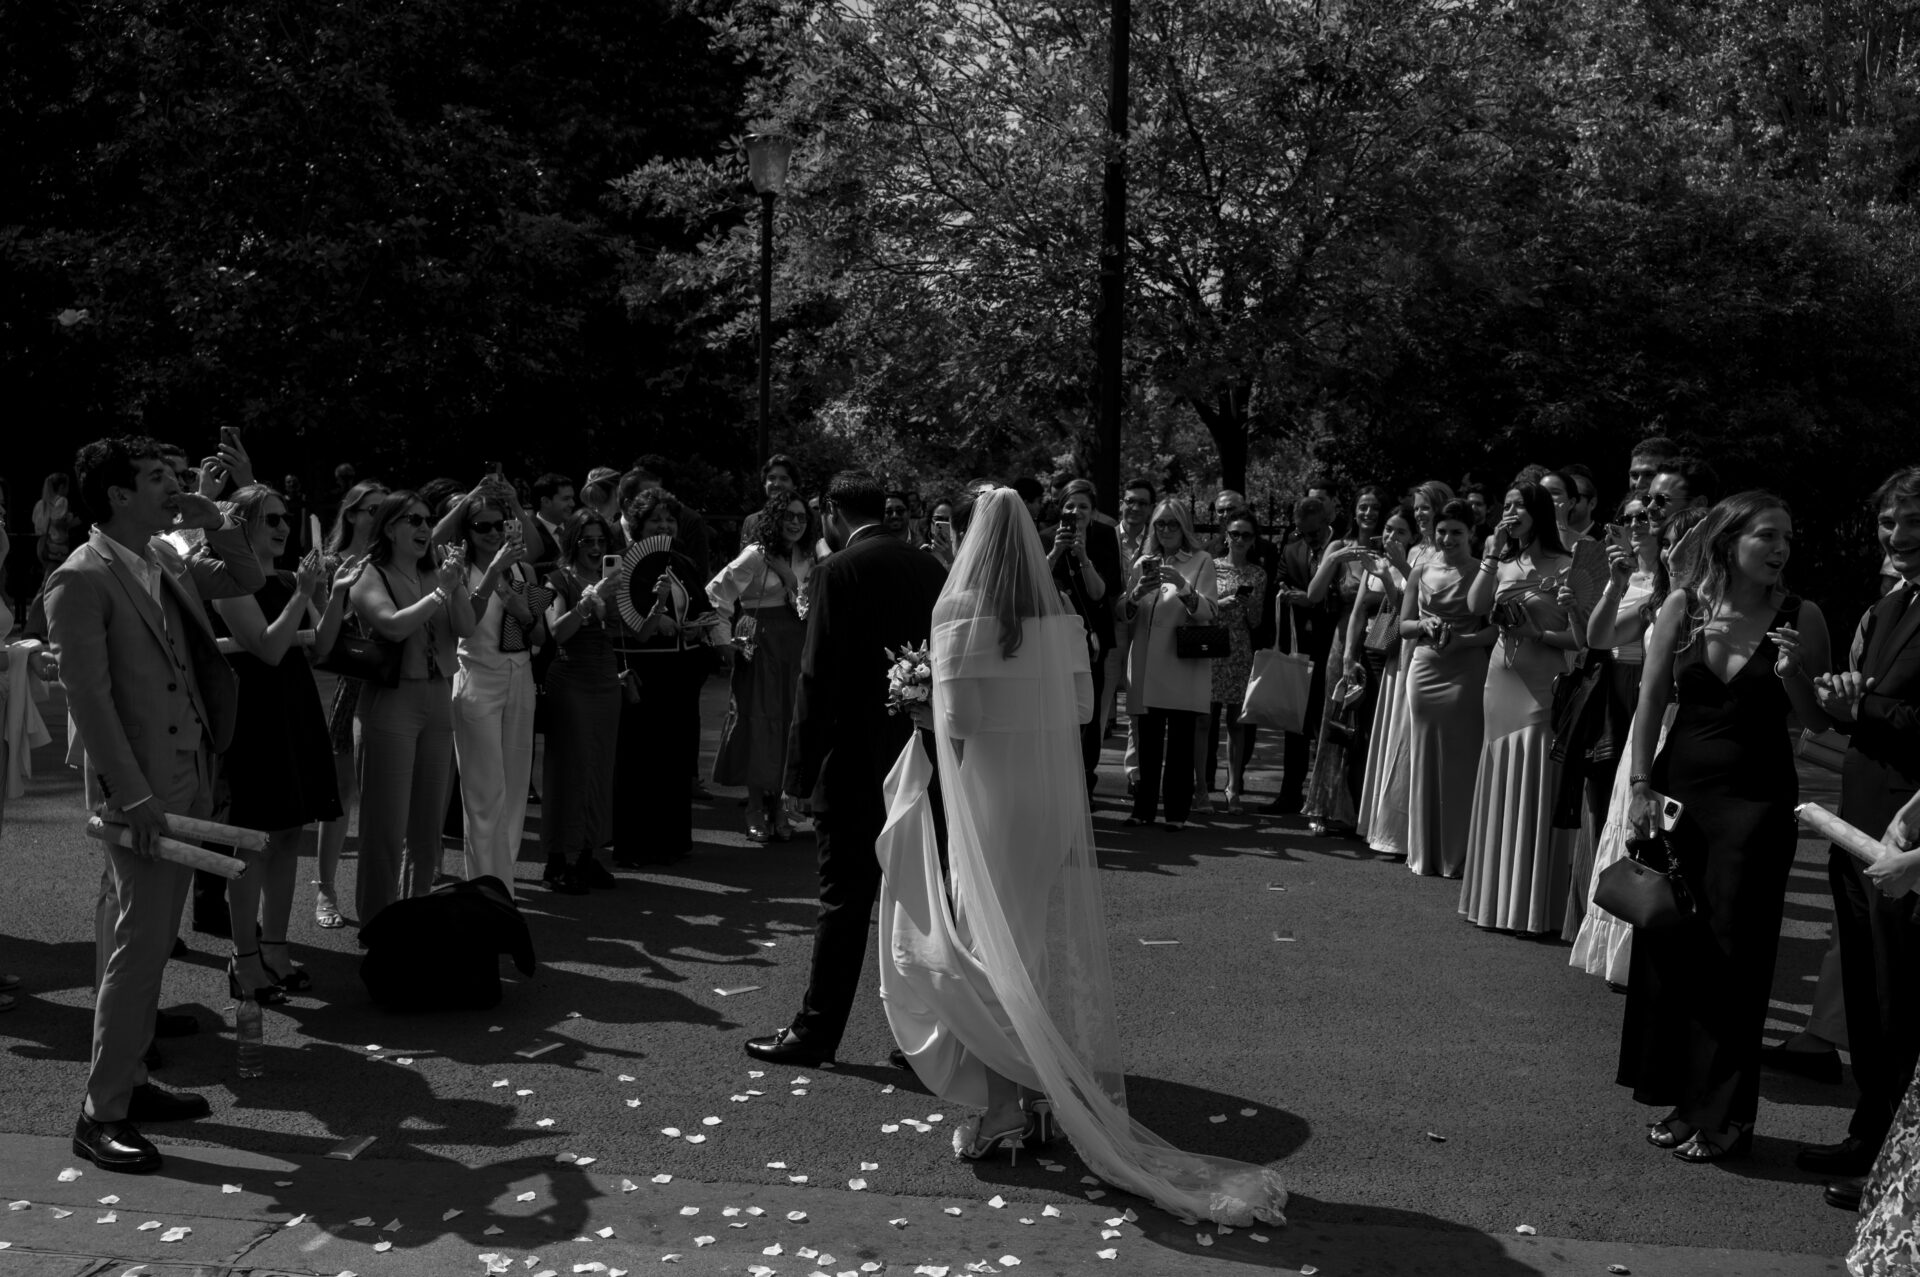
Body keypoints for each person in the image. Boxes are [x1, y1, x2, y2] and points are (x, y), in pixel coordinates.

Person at [873, 486, 1287, 1225]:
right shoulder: (1060, 615)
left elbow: (958, 722)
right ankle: (1035, 1097)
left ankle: (1005, 1108)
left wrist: (919, 702)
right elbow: (1084, 711)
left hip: (991, 798)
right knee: (1023, 937)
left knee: (986, 943)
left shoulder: (953, 611)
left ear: (972, 541)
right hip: (1044, 800)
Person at [47, 434, 267, 1173]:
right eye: (155, 478)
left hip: (188, 770)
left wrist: (218, 519)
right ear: (117, 494)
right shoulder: (79, 577)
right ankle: (101, 1111)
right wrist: (131, 793)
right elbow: (89, 699)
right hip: (141, 788)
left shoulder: (165, 554)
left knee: (147, 936)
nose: (173, 486)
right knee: (140, 948)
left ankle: (133, 1078)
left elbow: (248, 576)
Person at [1618, 491, 1833, 1163]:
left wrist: (1795, 674)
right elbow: (1652, 696)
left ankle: (1728, 1115)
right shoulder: (1684, 607)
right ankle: (1684, 1099)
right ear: (1728, 541)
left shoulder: (1803, 616)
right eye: (1767, 535)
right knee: (1676, 947)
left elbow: (1817, 721)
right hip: (1681, 795)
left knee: (1738, 955)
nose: (1780, 549)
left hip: (1757, 802)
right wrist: (1640, 786)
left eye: (1787, 537)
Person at [743, 470, 947, 1067]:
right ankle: (930, 1035)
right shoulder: (930, 567)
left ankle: (817, 1031)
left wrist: (798, 776)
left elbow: (818, 677)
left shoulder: (837, 570)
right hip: (920, 755)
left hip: (855, 761)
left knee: (844, 903)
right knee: (922, 902)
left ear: (832, 511)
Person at [1799, 467, 1920, 1201]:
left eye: (1912, 522)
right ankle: (1868, 1135)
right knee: (1870, 998)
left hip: (1907, 838)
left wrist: (1863, 705)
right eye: (1887, 522)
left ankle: (1895, 1169)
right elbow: (1862, 712)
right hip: (1855, 821)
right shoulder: (1891, 603)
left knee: (1903, 1005)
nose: (1897, 536)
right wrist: (1835, 695)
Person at [208, 486, 354, 1000]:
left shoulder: (293, 579)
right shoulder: (227, 582)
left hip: (294, 708)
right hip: (254, 716)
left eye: (284, 518)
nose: (283, 527)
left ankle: (275, 947)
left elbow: (324, 646)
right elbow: (268, 649)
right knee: (253, 841)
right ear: (241, 525)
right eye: (270, 518)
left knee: (289, 835)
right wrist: (302, 594)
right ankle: (243, 956)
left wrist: (333, 593)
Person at [1569, 499, 1695, 985]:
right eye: (1670, 545)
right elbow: (1600, 638)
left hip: (1686, 723)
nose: (1672, 554)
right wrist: (1615, 584)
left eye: (1682, 546)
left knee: (1671, 839)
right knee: (1635, 830)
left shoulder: (1714, 605)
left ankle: (1662, 946)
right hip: (1650, 724)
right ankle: (1624, 953)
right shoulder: (1658, 600)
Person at [1458, 480, 1579, 935]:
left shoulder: (1566, 566)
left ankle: (1530, 906)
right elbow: (1474, 605)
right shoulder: (1503, 561)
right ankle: (1493, 901)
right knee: (1498, 777)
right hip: (1499, 679)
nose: (1509, 513)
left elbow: (1582, 638)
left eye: (1518, 506)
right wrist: (1492, 554)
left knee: (1533, 778)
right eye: (1505, 506)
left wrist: (1537, 633)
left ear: (1538, 512)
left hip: (1543, 683)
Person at [351, 491, 475, 925]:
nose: (425, 528)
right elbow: (392, 625)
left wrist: (455, 585)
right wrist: (442, 592)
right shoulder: (370, 573)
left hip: (438, 698)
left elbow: (467, 626)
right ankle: (377, 923)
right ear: (389, 528)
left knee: (427, 827)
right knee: (385, 827)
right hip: (391, 702)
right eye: (414, 520)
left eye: (427, 520)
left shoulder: (437, 572)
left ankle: (415, 918)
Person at [609, 488, 717, 867]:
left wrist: (696, 625)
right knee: (640, 759)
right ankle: (635, 842)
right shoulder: (625, 562)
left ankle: (671, 839)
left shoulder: (682, 561)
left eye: (670, 519)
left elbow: (702, 607)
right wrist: (656, 622)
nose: (664, 525)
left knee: (674, 757)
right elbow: (619, 613)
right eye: (656, 519)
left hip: (679, 674)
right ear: (639, 524)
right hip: (644, 671)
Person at [709, 491, 815, 842]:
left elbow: (809, 604)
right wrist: (722, 641)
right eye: (789, 516)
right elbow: (716, 594)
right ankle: (755, 806)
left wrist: (791, 580)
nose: (796, 523)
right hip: (760, 639)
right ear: (774, 519)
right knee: (758, 719)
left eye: (802, 517)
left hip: (795, 641)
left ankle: (782, 806)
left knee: (789, 723)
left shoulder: (807, 554)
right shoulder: (756, 554)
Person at [450, 495, 542, 894]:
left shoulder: (524, 569)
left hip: (520, 676)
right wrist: (492, 574)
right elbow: (465, 625)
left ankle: (502, 882)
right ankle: (487, 887)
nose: (491, 533)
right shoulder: (458, 570)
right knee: (483, 790)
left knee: (516, 787)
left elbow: (540, 635)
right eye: (481, 526)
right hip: (477, 677)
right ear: (467, 532)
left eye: (498, 524)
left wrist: (523, 609)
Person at [1402, 501, 1495, 877]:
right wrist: (1423, 626)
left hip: (1466, 671)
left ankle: (1460, 853)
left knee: (1462, 761)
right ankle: (1425, 851)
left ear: (1471, 533)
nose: (1447, 538)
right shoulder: (1421, 568)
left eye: (1456, 532)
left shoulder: (1484, 571)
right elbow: (1403, 625)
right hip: (1425, 669)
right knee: (1424, 757)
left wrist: (1463, 641)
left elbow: (1494, 630)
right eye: (1442, 531)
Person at [311, 479, 387, 928]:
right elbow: (326, 631)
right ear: (353, 513)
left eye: (386, 509)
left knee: (388, 794)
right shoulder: (330, 563)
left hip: (397, 684)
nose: (381, 516)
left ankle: (386, 890)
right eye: (373, 509)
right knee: (340, 796)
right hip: (356, 681)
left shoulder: (395, 559)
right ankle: (325, 889)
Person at [537, 510, 625, 893]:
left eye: (601, 540)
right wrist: (591, 602)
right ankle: (557, 859)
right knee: (569, 770)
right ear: (573, 542)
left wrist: (652, 604)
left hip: (605, 678)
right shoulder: (557, 580)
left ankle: (587, 854)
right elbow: (557, 632)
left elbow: (629, 632)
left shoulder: (613, 579)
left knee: (600, 768)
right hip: (570, 678)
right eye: (587, 540)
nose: (595, 547)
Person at [1121, 500, 1217, 830]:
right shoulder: (1143, 562)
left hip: (1180, 661)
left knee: (1180, 742)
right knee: (1146, 741)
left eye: (1172, 523)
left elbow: (1210, 611)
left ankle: (1176, 813)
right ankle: (1142, 809)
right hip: (1147, 661)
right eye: (1159, 524)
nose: (1165, 530)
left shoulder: (1201, 560)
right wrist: (1136, 594)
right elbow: (1125, 611)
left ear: (1184, 526)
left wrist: (1182, 586)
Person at [1298, 487, 1387, 833]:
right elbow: (1313, 594)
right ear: (1354, 510)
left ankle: (1361, 811)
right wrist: (1335, 559)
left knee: (1370, 725)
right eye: (1363, 507)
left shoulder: (1389, 548)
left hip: (1381, 637)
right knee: (1335, 721)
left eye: (1375, 507)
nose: (1369, 513)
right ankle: (1323, 806)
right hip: (1342, 641)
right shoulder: (1338, 546)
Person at [1349, 505, 1416, 848]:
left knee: (1383, 733)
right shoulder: (1373, 564)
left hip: (1394, 652)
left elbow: (1404, 607)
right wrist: (1348, 656)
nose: (1391, 536)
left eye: (1400, 531)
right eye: (1389, 529)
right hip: (1370, 648)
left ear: (1412, 536)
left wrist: (1392, 573)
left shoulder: (1413, 564)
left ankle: (1380, 817)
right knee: (1362, 734)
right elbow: (1358, 611)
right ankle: (1359, 813)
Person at [1051, 479, 1121, 792]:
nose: (1076, 512)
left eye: (1083, 506)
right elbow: (1034, 584)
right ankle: (1058, 780)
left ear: (1093, 512)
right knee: (1056, 709)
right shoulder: (1045, 537)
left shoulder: (1104, 537)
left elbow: (1099, 592)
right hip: (1055, 635)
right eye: (1070, 506)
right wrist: (1056, 551)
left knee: (1088, 711)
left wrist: (1082, 556)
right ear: (1060, 509)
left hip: (1093, 637)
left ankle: (1085, 782)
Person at [1206, 512, 1267, 811]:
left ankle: (1233, 786)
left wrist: (1250, 604)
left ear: (1254, 540)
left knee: (1235, 721)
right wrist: (1221, 603)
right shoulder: (1211, 566)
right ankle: (1200, 784)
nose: (1240, 539)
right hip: (1211, 643)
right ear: (1226, 536)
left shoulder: (1258, 574)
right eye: (1235, 533)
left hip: (1239, 646)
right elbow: (1199, 607)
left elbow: (1256, 622)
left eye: (1246, 535)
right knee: (1204, 718)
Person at [738, 455, 803, 549]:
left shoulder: (809, 520)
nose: (776, 484)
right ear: (764, 483)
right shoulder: (751, 521)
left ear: (795, 485)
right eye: (772, 478)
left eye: (784, 479)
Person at [526, 473, 575, 576]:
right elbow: (524, 569)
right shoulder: (528, 532)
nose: (572, 504)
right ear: (546, 502)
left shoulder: (576, 527)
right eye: (566, 499)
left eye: (572, 498)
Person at [921, 496, 959, 569]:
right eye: (938, 519)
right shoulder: (924, 550)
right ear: (930, 522)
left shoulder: (962, 549)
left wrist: (950, 559)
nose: (943, 522)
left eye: (948, 519)